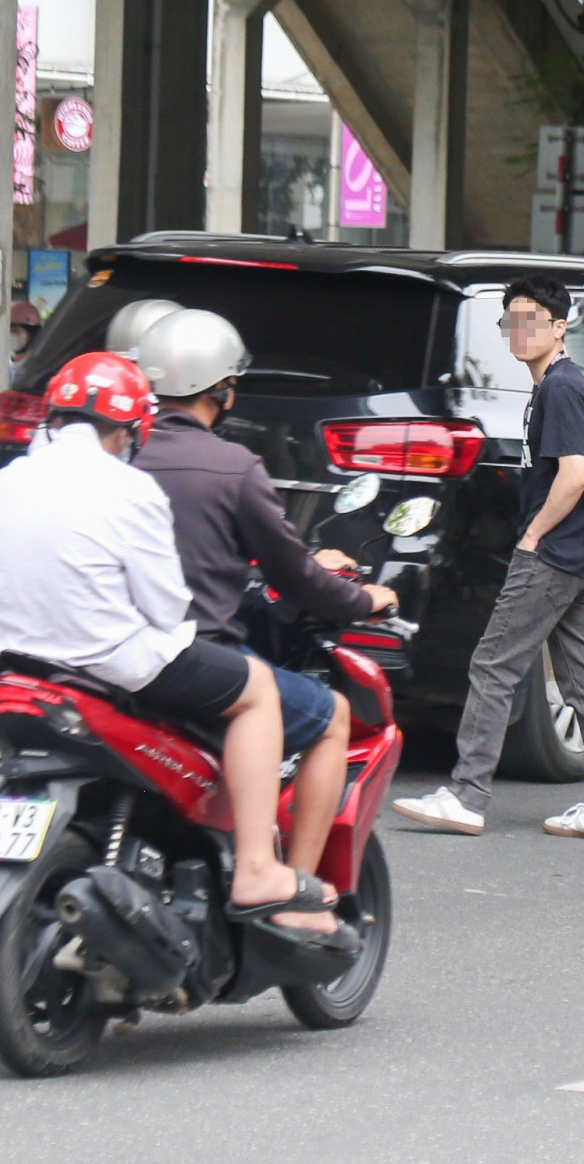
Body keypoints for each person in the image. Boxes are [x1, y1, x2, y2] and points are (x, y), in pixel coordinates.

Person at [0, 352, 343, 940]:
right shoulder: (134, 488)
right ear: (131, 427)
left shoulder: (7, 482)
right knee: (258, 691)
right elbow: (165, 608)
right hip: (114, 665)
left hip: (7, 666)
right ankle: (259, 869)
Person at [133, 309, 398, 936]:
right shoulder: (232, 466)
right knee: (330, 715)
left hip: (99, 655)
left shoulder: (123, 458)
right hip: (192, 662)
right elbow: (294, 577)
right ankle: (293, 893)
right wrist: (365, 600)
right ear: (222, 389)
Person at [392, 274, 584, 841]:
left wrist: (533, 536)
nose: (520, 333)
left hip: (552, 555)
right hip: (577, 555)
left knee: (493, 666)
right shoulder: (556, 386)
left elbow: (575, 475)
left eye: (532, 321)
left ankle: (467, 796)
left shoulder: (561, 388)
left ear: (558, 327)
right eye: (510, 322)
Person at [6, 301, 41, 385]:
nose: (10, 334)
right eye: (7, 330)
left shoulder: (40, 369)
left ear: (32, 333)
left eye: (14, 330)